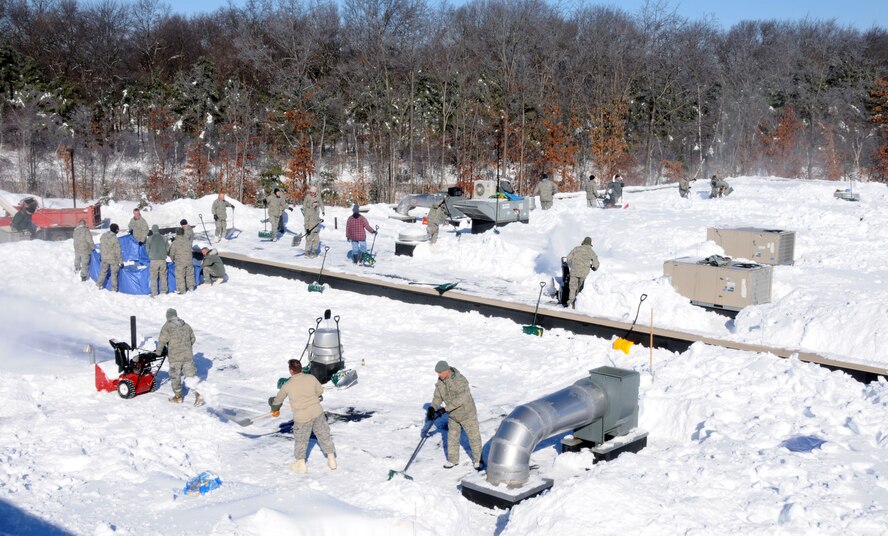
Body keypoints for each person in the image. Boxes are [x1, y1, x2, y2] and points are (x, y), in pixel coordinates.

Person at [269, 359, 337, 473]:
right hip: (317, 412)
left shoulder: (287, 385)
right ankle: (332, 460)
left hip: (302, 417)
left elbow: (277, 401)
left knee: (301, 440)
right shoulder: (311, 378)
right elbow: (320, 391)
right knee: (324, 435)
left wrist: (274, 408)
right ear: (300, 368)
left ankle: (301, 464)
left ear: (291, 371)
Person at [428, 360, 483, 470]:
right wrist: (432, 408)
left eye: (440, 373)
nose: (439, 375)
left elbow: (462, 399)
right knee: (452, 437)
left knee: (473, 437)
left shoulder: (460, 380)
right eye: (437, 373)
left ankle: (478, 460)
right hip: (453, 415)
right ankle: (453, 460)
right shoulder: (440, 382)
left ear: (447, 370)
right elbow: (438, 396)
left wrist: (444, 409)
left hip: (467, 413)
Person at [158, 308, 202, 406]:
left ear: (167, 316)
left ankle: (178, 397)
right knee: (191, 375)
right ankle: (198, 394)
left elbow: (162, 341)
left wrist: (158, 352)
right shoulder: (186, 325)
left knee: (175, 376)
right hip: (187, 356)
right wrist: (186, 347)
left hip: (175, 358)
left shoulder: (167, 327)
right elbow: (193, 339)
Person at [565, 237, 600, 309]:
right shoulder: (591, 252)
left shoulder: (576, 249)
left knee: (572, 288)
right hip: (584, 273)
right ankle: (578, 304)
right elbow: (596, 264)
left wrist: (572, 265)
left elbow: (568, 258)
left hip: (574, 272)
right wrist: (594, 268)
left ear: (583, 242)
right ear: (590, 244)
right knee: (580, 288)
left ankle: (570, 303)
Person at [96, 224, 122, 291]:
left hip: (104, 258)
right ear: (116, 230)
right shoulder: (115, 239)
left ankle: (99, 284)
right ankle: (114, 289)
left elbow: (101, 246)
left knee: (103, 272)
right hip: (113, 259)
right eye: (118, 229)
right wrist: (121, 262)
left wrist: (101, 256)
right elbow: (118, 251)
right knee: (114, 274)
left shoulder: (103, 236)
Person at [169, 227, 195, 294]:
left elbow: (172, 253)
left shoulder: (175, 242)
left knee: (180, 276)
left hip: (180, 262)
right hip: (189, 260)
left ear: (177, 233)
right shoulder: (188, 241)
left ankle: (182, 290)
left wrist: (173, 259)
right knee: (190, 274)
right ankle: (191, 287)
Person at [146, 224, 169, 297]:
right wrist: (164, 254)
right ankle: (164, 291)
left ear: (152, 230)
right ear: (158, 229)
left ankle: (154, 293)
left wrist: (150, 255)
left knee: (153, 277)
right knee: (163, 276)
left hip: (153, 260)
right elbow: (168, 248)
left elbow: (147, 249)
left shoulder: (149, 238)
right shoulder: (164, 238)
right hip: (162, 259)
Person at [302, 186, 323, 257]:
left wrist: (320, 220)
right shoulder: (307, 211)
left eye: (316, 203)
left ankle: (314, 251)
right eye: (314, 203)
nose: (316, 204)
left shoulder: (316, 211)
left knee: (317, 239)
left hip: (315, 227)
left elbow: (317, 217)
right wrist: (307, 229)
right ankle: (307, 251)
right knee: (309, 239)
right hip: (309, 227)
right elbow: (306, 220)